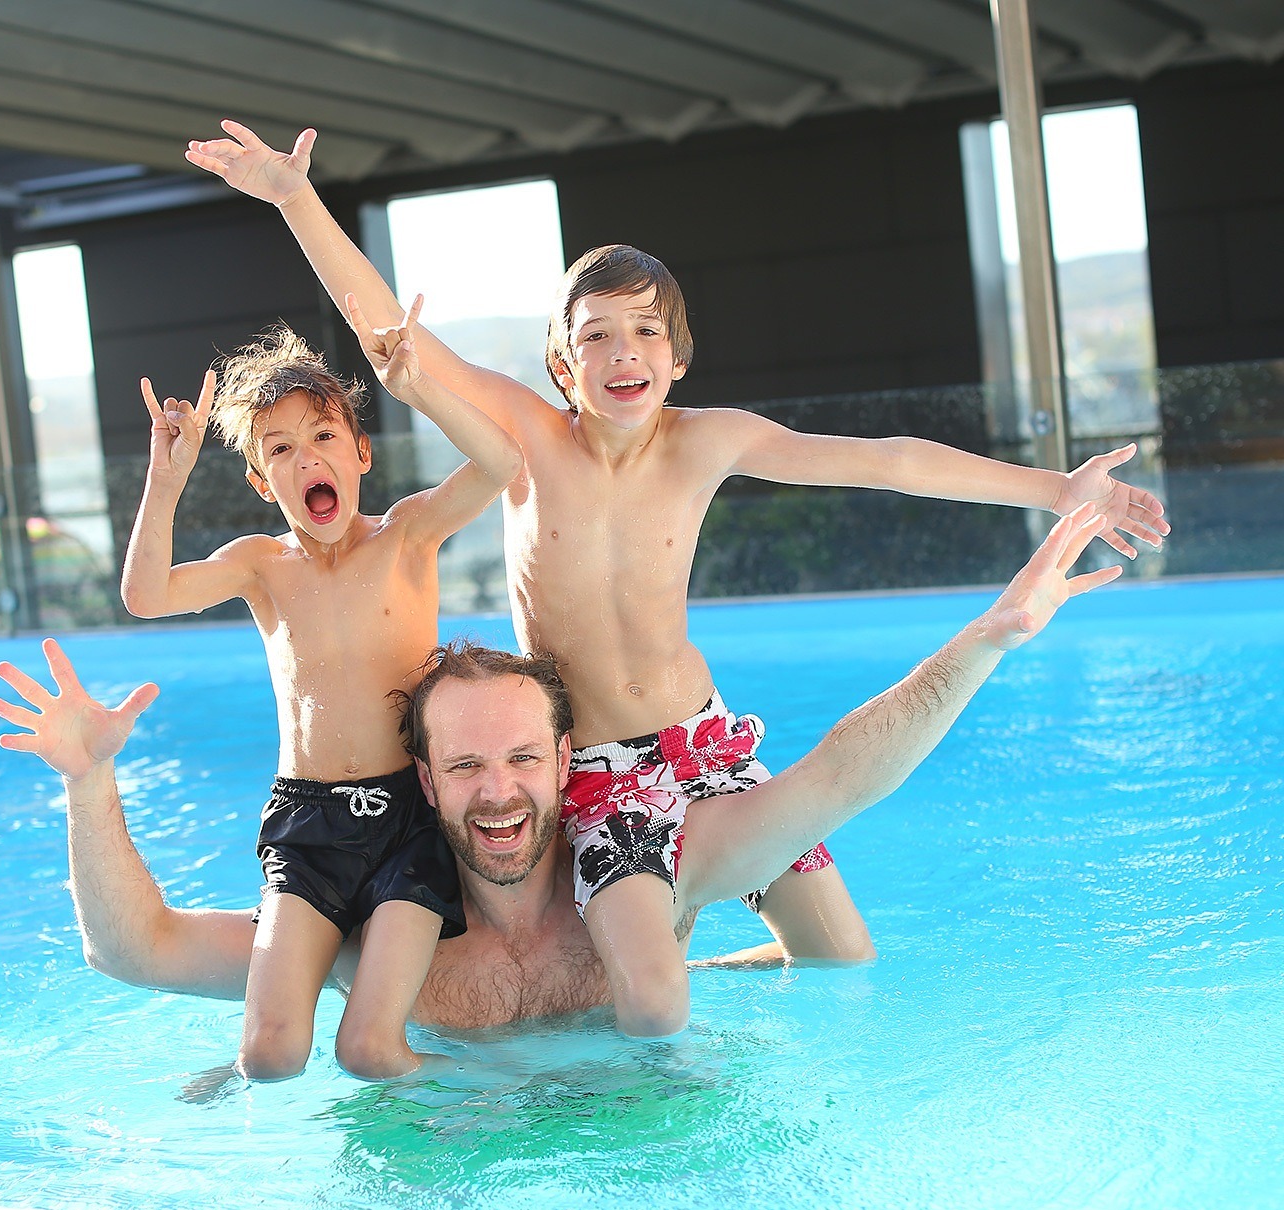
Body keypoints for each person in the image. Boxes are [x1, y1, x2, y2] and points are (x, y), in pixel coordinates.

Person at [183, 120, 1172, 1036]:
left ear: (679, 355)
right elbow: (387, 330)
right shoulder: (530, 438)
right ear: (562, 367)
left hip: (705, 736)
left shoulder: (709, 443)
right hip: (603, 768)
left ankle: (715, 947)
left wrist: (1054, 486)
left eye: (646, 331)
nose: (623, 352)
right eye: (596, 335)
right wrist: (293, 199)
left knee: (839, 953)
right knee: (652, 1004)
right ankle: (657, 953)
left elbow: (887, 459)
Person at [0, 505, 1122, 1052]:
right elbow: (130, 950)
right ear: (424, 782)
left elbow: (840, 776)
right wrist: (88, 786)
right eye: (468, 763)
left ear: (566, 763)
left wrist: (990, 637)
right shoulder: (369, 935)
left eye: (524, 757)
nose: (499, 791)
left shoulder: (650, 874)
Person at [71, 302, 521, 1082]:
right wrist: (165, 480)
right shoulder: (261, 565)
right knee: (269, 1056)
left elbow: (501, 463)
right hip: (308, 824)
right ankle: (260, 1041)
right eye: (280, 448)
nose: (306, 457)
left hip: (412, 821)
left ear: (360, 454)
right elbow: (144, 595)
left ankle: (495, 1105)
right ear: (258, 479)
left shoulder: (408, 535)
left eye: (323, 437)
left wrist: (421, 388)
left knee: (368, 1049)